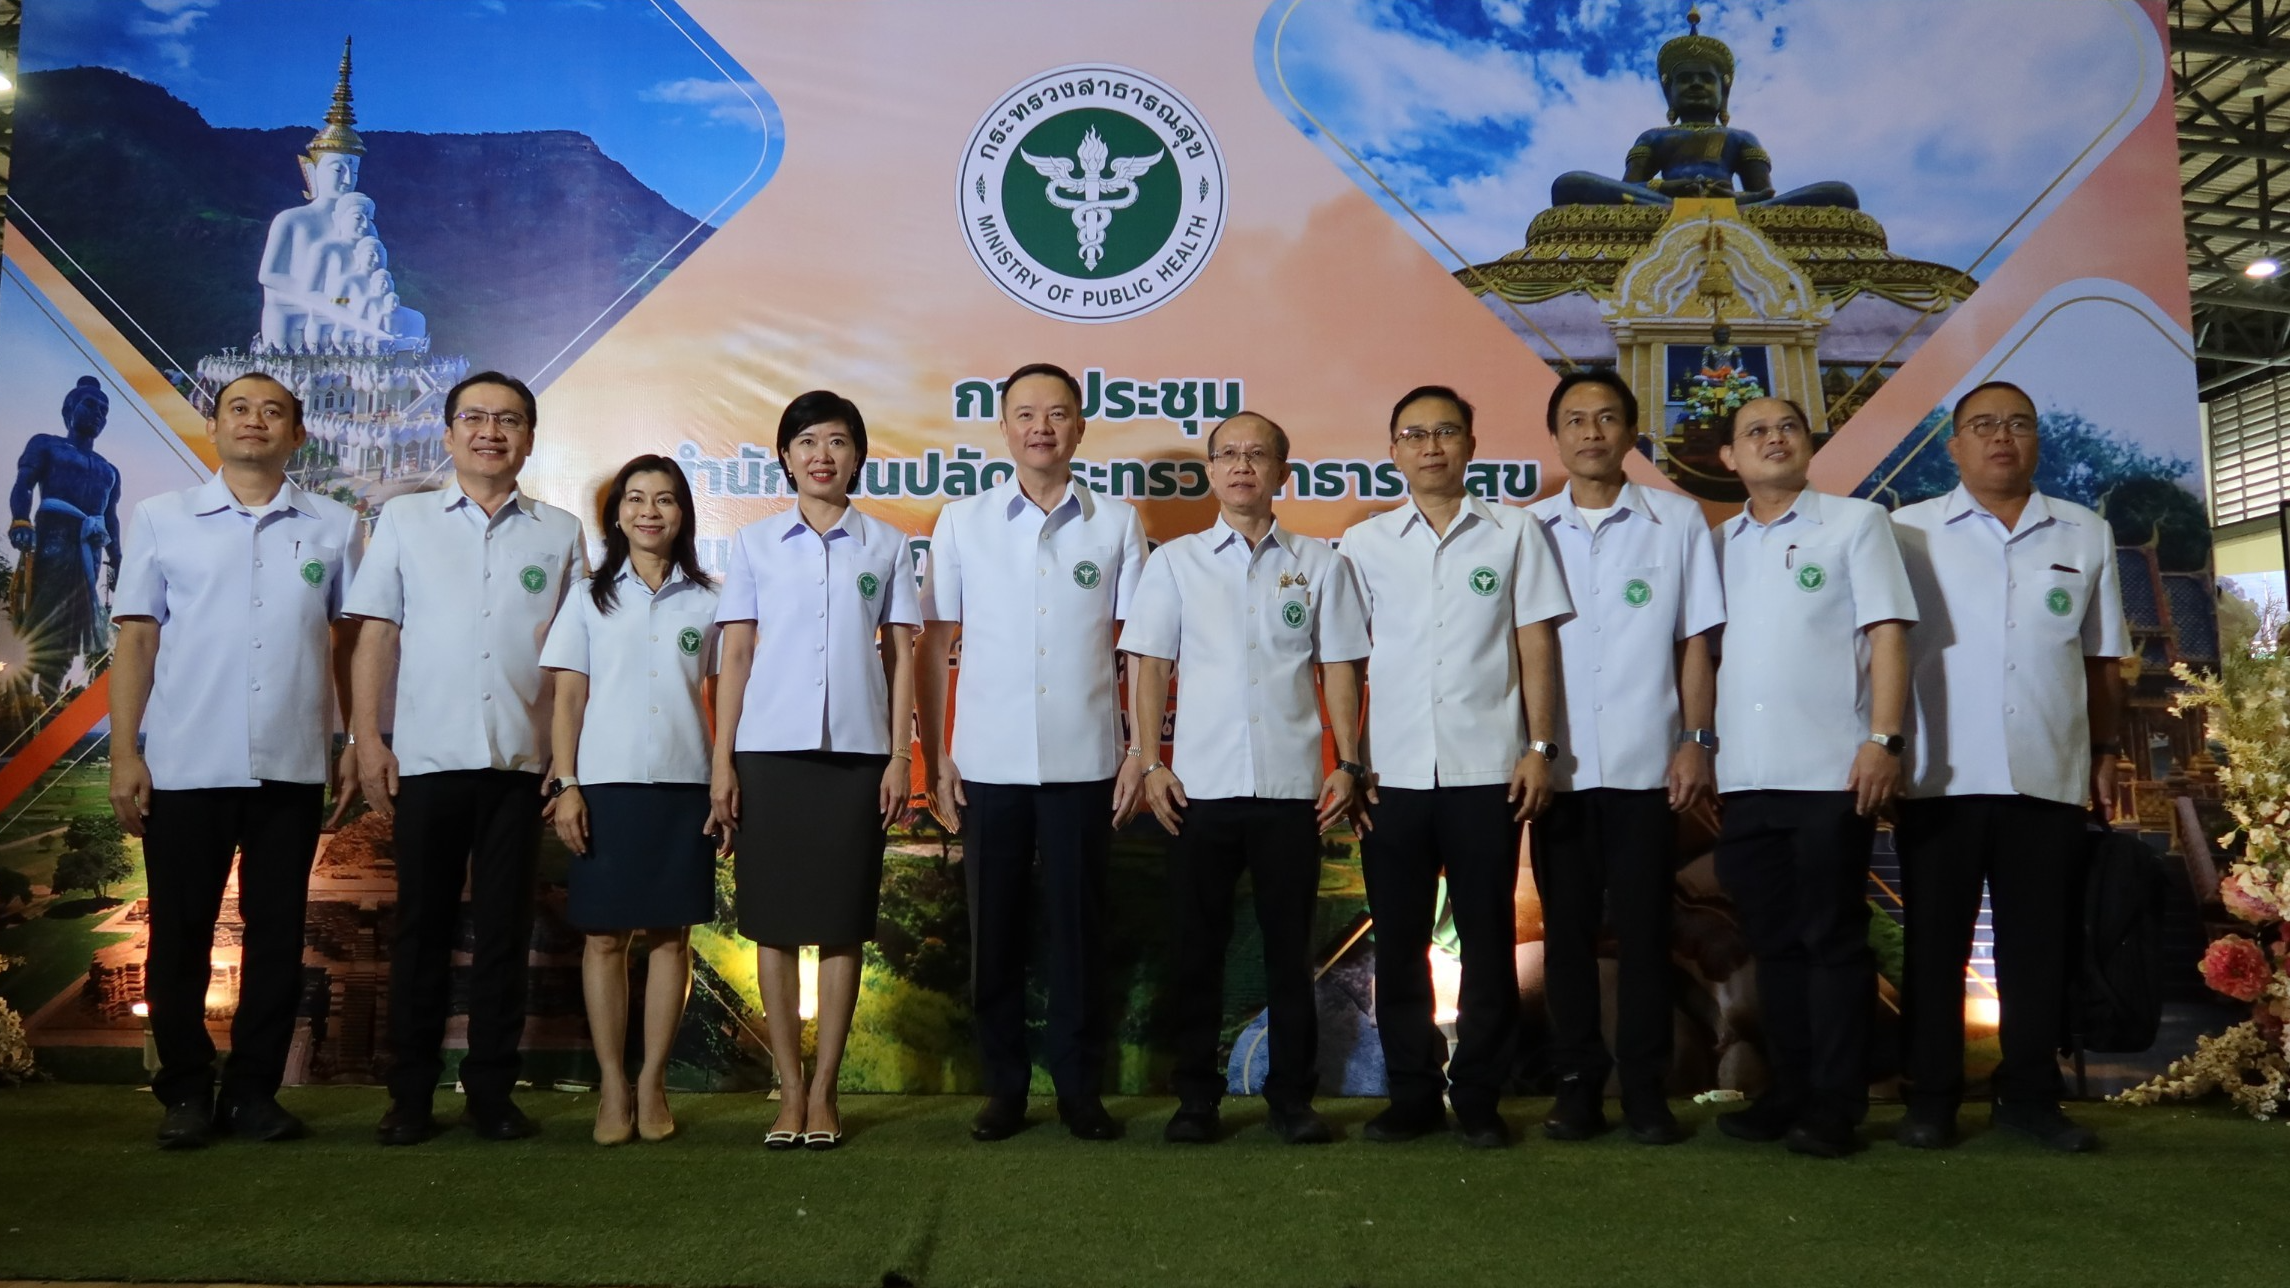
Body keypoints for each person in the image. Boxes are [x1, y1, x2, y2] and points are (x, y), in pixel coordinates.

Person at [106, 373, 361, 1149]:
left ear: (299, 435)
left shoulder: (335, 526)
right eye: (239, 409)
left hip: (289, 764)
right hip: (186, 762)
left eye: (273, 411)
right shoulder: (162, 519)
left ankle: (255, 1093)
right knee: (180, 934)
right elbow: (138, 638)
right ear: (214, 429)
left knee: (278, 932)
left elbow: (350, 644)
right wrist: (126, 751)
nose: (255, 422)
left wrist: (352, 741)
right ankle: (185, 1091)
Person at [345, 371, 585, 1145]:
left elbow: (573, 658)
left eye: (509, 420)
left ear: (529, 438)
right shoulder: (405, 521)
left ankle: (490, 1091)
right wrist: (367, 739)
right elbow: (375, 635)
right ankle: (409, 1094)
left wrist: (567, 759)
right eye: (475, 418)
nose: (491, 432)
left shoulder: (560, 531)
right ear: (448, 434)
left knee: (506, 932)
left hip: (522, 763)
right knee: (420, 929)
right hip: (428, 758)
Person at [1120, 412, 1370, 1146]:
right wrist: (1149, 761)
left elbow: (1340, 670)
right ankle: (1196, 1098)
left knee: (1290, 955)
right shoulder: (1176, 563)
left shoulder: (1321, 565)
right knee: (1196, 949)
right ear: (1209, 471)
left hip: (1294, 792)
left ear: (1281, 472)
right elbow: (1149, 667)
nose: (1240, 467)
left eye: (1256, 455)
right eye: (1226, 455)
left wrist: (1348, 762)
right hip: (1197, 790)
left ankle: (1291, 1098)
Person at [1891, 381, 2128, 1153]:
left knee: (2037, 944)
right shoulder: (1906, 533)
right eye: (1983, 425)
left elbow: (2101, 660)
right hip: (1940, 773)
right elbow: (1878, 653)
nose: (2002, 438)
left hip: (2047, 771)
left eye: (2018, 424)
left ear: (2037, 441)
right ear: (1953, 445)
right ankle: (1931, 1095)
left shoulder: (2085, 533)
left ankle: (2029, 1094)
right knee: (1935, 944)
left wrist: (2103, 752)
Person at [916, 362, 1148, 1142]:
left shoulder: (1116, 523)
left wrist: (1140, 749)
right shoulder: (963, 520)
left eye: (1057, 414)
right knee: (997, 934)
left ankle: (1080, 1089)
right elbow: (936, 642)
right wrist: (937, 754)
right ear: (1005, 428)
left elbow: (1142, 647)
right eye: (1025, 414)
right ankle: (1005, 1089)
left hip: (1086, 763)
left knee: (1079, 933)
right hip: (987, 761)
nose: (1040, 427)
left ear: (1080, 428)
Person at [1338, 384, 1572, 1150]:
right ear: (1394, 451)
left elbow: (1537, 645)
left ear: (1471, 444)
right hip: (1392, 776)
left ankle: (1477, 1095)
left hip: (1487, 772)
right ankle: (1410, 1093)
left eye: (1446, 432)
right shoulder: (1365, 544)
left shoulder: (1514, 533)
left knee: (1487, 940)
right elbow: (1344, 660)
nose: (1431, 446)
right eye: (1414, 434)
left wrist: (1541, 748)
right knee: (1399, 942)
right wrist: (1348, 759)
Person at [712, 392, 920, 1152]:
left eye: (837, 441)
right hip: (768, 754)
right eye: (806, 442)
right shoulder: (756, 544)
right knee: (770, 924)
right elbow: (735, 657)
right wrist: (722, 763)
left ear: (858, 456)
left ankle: (826, 1091)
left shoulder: (888, 545)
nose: (822, 455)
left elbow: (901, 658)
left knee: (840, 927)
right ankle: (788, 1090)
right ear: (786, 456)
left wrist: (900, 755)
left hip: (858, 757)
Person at [1709, 395, 1916, 1159]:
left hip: (1833, 772)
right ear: (1729, 458)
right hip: (1744, 775)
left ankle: (1838, 1102)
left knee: (1833, 941)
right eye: (1755, 432)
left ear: (1809, 445)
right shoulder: (1718, 543)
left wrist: (1883, 740)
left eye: (1786, 428)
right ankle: (1791, 1088)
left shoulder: (1855, 525)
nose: (1773, 439)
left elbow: (1889, 635)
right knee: (1774, 943)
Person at [1526, 371, 1724, 1147]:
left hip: (1650, 768)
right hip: (1560, 774)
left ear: (1632, 432)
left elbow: (1695, 643)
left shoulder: (1676, 520)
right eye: (1575, 420)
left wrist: (1695, 741)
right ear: (1557, 436)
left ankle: (1645, 1091)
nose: (1591, 432)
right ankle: (1575, 1088)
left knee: (1646, 933)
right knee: (1567, 936)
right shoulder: (1527, 530)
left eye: (1607, 418)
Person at [540, 454, 721, 1147]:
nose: (651, 512)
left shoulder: (711, 602)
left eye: (667, 500)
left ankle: (653, 1084)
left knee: (672, 937)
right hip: (605, 787)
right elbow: (568, 700)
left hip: (684, 787)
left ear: (683, 515)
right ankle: (613, 1085)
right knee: (605, 938)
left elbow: (725, 699)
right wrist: (567, 784)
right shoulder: (588, 598)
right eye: (637, 499)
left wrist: (724, 782)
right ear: (616, 514)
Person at [10, 376, 123, 703]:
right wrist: (21, 519)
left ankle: (48, 695)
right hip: (51, 543)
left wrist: (117, 560)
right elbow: (24, 483)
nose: (99, 414)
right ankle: (16, 694)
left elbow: (111, 518)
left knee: (71, 630)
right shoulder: (46, 444)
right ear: (70, 408)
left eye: (105, 410)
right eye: (91, 405)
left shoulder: (108, 470)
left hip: (88, 554)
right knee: (39, 618)